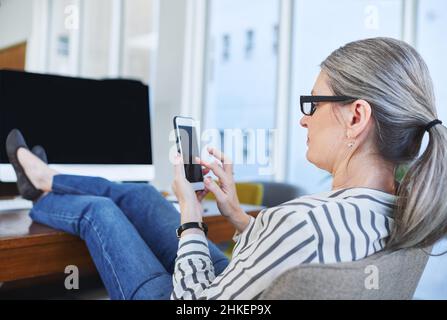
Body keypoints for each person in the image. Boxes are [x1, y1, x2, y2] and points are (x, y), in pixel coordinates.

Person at [6, 37, 447, 300]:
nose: (304, 118)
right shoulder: (403, 213)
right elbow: (288, 260)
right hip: (237, 289)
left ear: (356, 117)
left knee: (100, 213)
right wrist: (237, 215)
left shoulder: (300, 220)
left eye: (313, 104)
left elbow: (194, 301)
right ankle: (46, 178)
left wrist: (192, 217)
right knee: (141, 195)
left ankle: (40, 191)